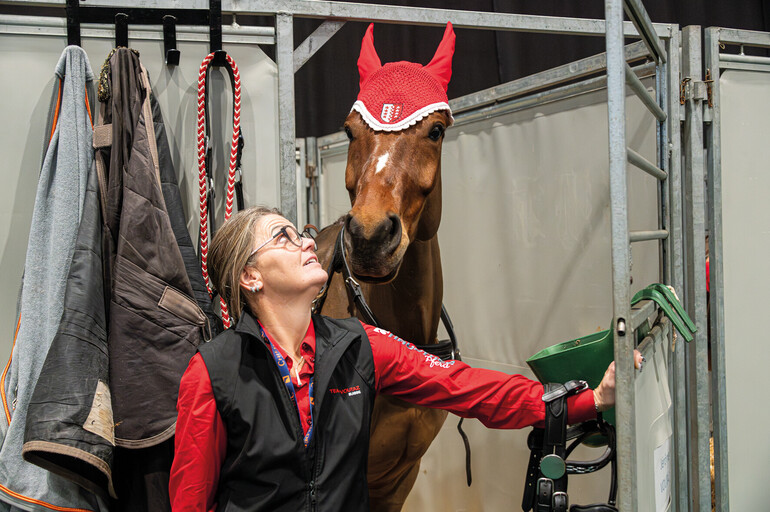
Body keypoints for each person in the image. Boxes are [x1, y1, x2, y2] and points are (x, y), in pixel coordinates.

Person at [169, 206, 642, 512]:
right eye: (284, 237)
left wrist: (587, 401)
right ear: (250, 277)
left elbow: (467, 388)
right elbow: (190, 500)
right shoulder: (212, 371)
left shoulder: (361, 346)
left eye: (302, 234)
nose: (308, 242)